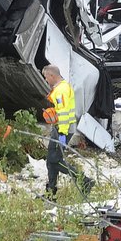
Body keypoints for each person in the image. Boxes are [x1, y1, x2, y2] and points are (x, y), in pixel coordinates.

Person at [42, 64, 93, 198]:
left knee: (55, 160)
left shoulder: (61, 91)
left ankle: (84, 180)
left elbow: (64, 113)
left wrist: (62, 133)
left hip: (63, 129)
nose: (46, 80)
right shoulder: (61, 87)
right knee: (50, 160)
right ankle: (51, 192)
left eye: (46, 77)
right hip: (59, 128)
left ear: (52, 75)